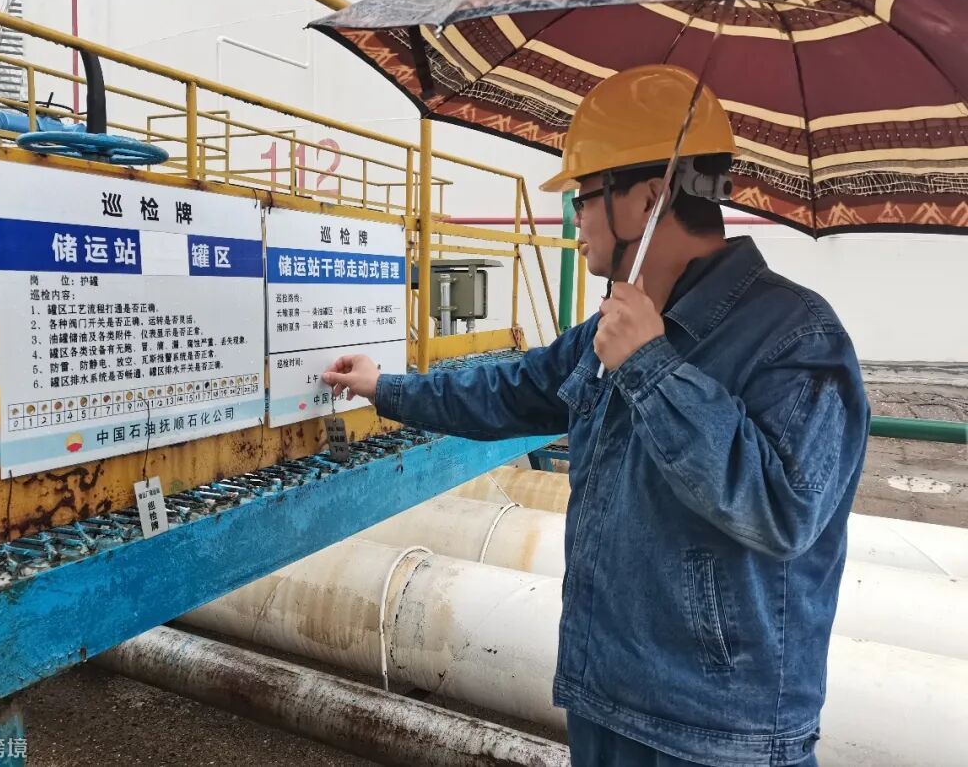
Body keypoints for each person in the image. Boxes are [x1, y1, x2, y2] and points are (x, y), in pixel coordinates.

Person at [323, 65, 869, 767]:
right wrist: (387, 388)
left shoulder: (797, 338)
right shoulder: (615, 325)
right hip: (604, 696)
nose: (575, 219)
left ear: (647, 201)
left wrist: (652, 366)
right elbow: (512, 389)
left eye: (583, 196)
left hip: (717, 734)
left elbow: (784, 510)